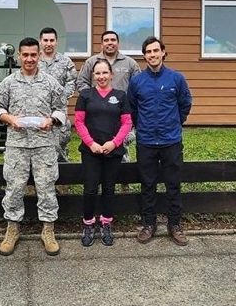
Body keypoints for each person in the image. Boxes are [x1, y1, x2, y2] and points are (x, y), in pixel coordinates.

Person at [0, 37, 67, 256]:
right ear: (18, 56)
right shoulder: (8, 83)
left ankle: (48, 230)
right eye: (25, 55)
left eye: (33, 54)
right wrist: (10, 119)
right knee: (14, 188)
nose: (29, 59)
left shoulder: (51, 83)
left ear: (39, 55)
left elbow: (62, 109)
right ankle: (12, 229)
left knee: (46, 188)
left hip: (44, 144)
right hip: (17, 145)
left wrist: (51, 120)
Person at [128, 36, 192, 246]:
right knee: (147, 185)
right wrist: (143, 126)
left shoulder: (176, 79)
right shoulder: (137, 81)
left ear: (163, 52)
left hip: (170, 140)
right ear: (144, 56)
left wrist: (174, 123)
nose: (152, 55)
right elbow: (133, 109)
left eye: (156, 50)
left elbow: (185, 104)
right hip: (146, 141)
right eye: (148, 52)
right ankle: (149, 224)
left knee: (173, 184)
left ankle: (175, 225)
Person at [74, 59, 132, 247]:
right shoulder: (85, 95)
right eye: (97, 73)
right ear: (93, 75)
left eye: (105, 73)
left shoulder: (121, 96)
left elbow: (127, 123)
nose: (101, 76)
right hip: (91, 151)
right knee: (90, 189)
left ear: (111, 74)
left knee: (108, 188)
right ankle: (88, 224)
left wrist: (114, 143)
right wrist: (91, 143)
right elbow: (79, 122)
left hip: (112, 151)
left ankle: (106, 223)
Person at [76, 30, 141, 164]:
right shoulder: (91, 62)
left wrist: (127, 104)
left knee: (121, 151)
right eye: (106, 40)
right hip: (96, 116)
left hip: (121, 114)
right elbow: (81, 82)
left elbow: (138, 87)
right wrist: (93, 99)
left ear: (118, 43)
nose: (109, 43)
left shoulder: (130, 63)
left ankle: (122, 175)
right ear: (101, 44)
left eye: (113, 40)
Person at [38, 27, 77, 162]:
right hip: (38, 110)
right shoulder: (34, 60)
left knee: (61, 142)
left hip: (59, 111)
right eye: (45, 40)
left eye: (51, 40)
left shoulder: (66, 62)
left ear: (56, 42)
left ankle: (62, 171)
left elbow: (72, 82)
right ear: (40, 41)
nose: (48, 43)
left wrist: (61, 98)